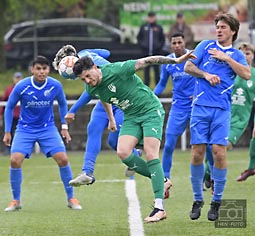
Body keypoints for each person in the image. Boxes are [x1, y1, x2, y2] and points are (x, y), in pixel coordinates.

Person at [69, 47, 195, 222]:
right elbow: (103, 97)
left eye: (89, 76)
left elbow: (148, 60)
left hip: (151, 111)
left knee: (151, 154)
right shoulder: (91, 88)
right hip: (131, 116)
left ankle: (159, 207)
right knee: (123, 152)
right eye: (84, 79)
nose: (88, 81)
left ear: (96, 68)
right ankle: (162, 179)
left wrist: (176, 61)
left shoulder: (118, 69)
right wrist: (111, 119)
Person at [184, 13, 251, 221]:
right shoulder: (205, 46)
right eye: (218, 27)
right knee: (197, 153)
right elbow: (188, 66)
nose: (219, 30)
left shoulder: (237, 55)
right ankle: (197, 200)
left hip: (222, 110)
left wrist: (227, 58)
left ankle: (217, 201)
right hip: (201, 107)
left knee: (219, 153)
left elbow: (247, 74)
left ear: (233, 31)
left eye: (223, 27)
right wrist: (205, 74)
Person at [52, 45, 142, 186]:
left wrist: (72, 110)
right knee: (93, 127)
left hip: (120, 100)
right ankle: (87, 172)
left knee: (114, 141)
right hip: (104, 100)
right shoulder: (85, 54)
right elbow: (107, 52)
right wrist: (95, 53)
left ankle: (137, 157)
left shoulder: (90, 68)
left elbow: (89, 93)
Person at [3, 56, 82, 212]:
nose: (41, 72)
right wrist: (7, 131)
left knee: (63, 159)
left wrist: (64, 127)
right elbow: (9, 106)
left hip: (47, 129)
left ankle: (71, 197)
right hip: (25, 129)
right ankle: (16, 200)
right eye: (38, 68)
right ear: (32, 69)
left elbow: (62, 104)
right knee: (15, 160)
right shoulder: (22, 86)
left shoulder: (55, 85)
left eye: (44, 69)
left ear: (48, 70)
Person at [153, 32, 197, 198]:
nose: (177, 45)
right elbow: (162, 83)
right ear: (170, 45)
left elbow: (205, 77)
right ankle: (165, 181)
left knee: (202, 144)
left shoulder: (194, 56)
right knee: (169, 144)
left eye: (180, 42)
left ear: (184, 42)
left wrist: (199, 92)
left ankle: (210, 177)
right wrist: (150, 96)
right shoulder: (168, 62)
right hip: (178, 107)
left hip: (196, 106)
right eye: (174, 43)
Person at [205, 43, 255, 184]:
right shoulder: (229, 71)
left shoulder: (253, 75)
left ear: (253, 56)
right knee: (212, 146)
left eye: (248, 53)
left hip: (239, 121)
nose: (245, 56)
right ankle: (208, 172)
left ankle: (211, 175)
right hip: (224, 114)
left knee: (223, 145)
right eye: (242, 53)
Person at [137, 11, 166, 87]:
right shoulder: (144, 27)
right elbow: (139, 38)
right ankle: (147, 89)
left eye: (152, 17)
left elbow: (162, 39)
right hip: (146, 54)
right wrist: (143, 46)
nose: (151, 19)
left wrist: (158, 47)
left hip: (156, 54)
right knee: (146, 73)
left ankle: (158, 91)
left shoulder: (158, 28)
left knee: (157, 73)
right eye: (150, 17)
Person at [0, 72, 23, 155]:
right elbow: (3, 101)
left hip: (22, 116)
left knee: (21, 133)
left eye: (19, 77)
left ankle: (21, 150)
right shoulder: (9, 89)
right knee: (9, 132)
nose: (18, 79)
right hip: (12, 116)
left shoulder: (25, 88)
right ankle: (8, 149)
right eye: (16, 77)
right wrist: (1, 114)